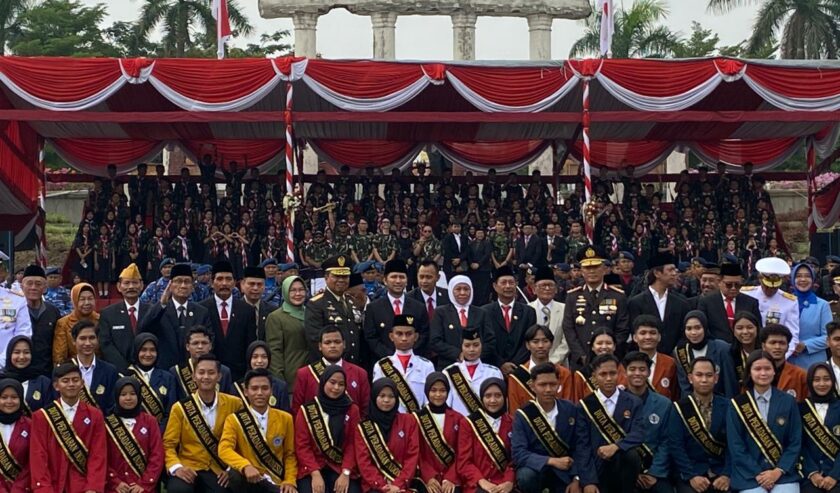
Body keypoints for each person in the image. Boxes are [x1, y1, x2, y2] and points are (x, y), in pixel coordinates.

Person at [163, 353, 243, 493]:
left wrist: (231, 469)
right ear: (194, 376)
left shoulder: (235, 404)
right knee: (178, 490)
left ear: (219, 376)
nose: (206, 377)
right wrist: (177, 468)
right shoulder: (180, 408)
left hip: (219, 468)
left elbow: (242, 443)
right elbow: (168, 445)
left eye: (211, 373)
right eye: (201, 372)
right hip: (188, 466)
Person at [726, 350, 801, 493]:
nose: (763, 373)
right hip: (748, 476)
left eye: (767, 368)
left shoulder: (788, 401)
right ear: (749, 372)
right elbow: (736, 446)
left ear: (774, 371)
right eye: (757, 369)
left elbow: (795, 441)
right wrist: (760, 474)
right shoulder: (736, 404)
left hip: (783, 474)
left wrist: (778, 471)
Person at [30, 362, 107, 493]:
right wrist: (44, 489)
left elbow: (98, 454)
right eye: (65, 381)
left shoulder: (95, 415)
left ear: (82, 384)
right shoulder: (42, 416)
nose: (71, 384)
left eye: (75, 380)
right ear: (56, 386)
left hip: (83, 486)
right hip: (52, 486)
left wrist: (92, 487)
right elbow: (38, 456)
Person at [574, 353, 647, 493]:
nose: (608, 378)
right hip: (597, 469)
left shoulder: (633, 402)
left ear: (619, 373)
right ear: (594, 376)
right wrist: (589, 481)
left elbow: (639, 433)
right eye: (603, 374)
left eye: (612, 373)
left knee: (631, 454)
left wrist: (616, 446)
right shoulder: (584, 406)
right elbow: (582, 446)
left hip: (625, 470)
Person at [219, 368, 298, 493]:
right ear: (246, 391)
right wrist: (245, 466)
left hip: (275, 479)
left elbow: (289, 455)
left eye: (265, 388)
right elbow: (224, 449)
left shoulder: (285, 418)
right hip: (249, 479)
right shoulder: (234, 419)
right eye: (254, 388)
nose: (260, 393)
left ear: (271, 391)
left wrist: (289, 481)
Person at [511, 363, 581, 493]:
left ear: (559, 385)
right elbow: (518, 453)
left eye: (552, 384)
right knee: (525, 476)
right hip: (537, 470)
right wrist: (551, 461)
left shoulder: (570, 409)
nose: (548, 389)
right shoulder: (523, 415)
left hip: (566, 470)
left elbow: (580, 446)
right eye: (542, 385)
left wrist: (577, 478)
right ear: (532, 386)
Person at [294, 365, 362, 493]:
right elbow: (302, 446)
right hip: (312, 467)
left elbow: (353, 445)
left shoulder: (352, 410)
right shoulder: (307, 410)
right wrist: (315, 473)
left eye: (341, 384)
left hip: (341, 466)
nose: (336, 388)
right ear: (324, 382)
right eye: (332, 382)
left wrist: (346, 472)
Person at [669, 357, 732, 493]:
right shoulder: (679, 408)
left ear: (715, 378)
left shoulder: (728, 406)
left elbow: (734, 444)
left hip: (721, 472)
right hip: (691, 472)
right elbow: (676, 446)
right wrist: (691, 476)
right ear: (690, 378)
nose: (704, 380)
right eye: (699, 375)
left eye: (709, 375)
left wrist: (727, 474)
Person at [562, 246, 630, 370]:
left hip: (611, 360)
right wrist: (581, 355)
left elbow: (623, 329)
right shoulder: (572, 296)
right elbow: (568, 328)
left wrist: (609, 351)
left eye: (596, 267)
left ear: (604, 269)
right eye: (587, 267)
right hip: (581, 362)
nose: (591, 271)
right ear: (582, 270)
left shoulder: (618, 296)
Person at [137, 262, 211, 370]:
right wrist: (161, 304)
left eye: (187, 282)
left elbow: (210, 339)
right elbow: (143, 329)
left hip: (194, 371)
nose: (183, 285)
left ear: (192, 286)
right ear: (170, 285)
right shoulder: (159, 310)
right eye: (178, 281)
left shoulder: (202, 312)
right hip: (165, 370)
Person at [354, 378, 421, 493]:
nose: (386, 400)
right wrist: (382, 486)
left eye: (391, 396)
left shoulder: (409, 421)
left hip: (403, 485)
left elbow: (412, 456)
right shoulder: (363, 427)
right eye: (382, 396)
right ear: (374, 397)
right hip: (374, 486)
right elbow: (364, 463)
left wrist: (398, 484)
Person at [291, 325, 371, 418]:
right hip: (316, 430)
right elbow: (297, 410)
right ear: (320, 346)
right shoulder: (305, 373)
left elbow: (365, 410)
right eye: (327, 342)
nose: (333, 346)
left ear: (344, 344)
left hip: (350, 430)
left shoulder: (360, 373)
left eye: (337, 342)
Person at [622, 351, 672, 493]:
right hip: (625, 471)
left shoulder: (664, 404)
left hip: (656, 471)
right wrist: (633, 473)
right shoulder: (615, 403)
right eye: (632, 369)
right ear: (624, 373)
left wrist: (654, 473)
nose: (637, 373)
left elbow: (666, 442)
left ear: (649, 372)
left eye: (642, 369)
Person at [104, 377, 165, 493]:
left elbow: (157, 455)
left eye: (132, 394)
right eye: (123, 394)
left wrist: (145, 484)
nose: (128, 398)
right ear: (117, 397)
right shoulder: (107, 423)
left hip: (144, 488)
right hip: (115, 488)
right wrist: (115, 482)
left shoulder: (150, 421)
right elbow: (102, 457)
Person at [199, 260, 257, 381]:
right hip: (209, 375)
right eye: (219, 279)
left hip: (239, 376)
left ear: (234, 282)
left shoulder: (246, 310)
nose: (224, 283)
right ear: (211, 282)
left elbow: (250, 344)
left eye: (228, 279)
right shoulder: (201, 309)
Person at [364, 259, 431, 363]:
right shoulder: (373, 308)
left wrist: (408, 353)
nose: (398, 281)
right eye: (394, 277)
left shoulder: (418, 307)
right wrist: (393, 357)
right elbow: (371, 338)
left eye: (402, 277)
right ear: (385, 280)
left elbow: (423, 334)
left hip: (413, 361)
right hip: (384, 363)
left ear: (407, 280)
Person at [457, 378, 515, 493]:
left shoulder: (514, 422)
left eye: (498, 395)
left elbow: (516, 459)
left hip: (505, 484)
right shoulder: (468, 423)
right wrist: (481, 481)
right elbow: (464, 462)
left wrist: (509, 481)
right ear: (481, 398)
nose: (493, 400)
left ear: (504, 397)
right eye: (488, 396)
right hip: (477, 484)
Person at [627, 253, 691, 355]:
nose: (674, 274)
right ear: (657, 273)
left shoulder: (681, 302)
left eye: (675, 270)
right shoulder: (636, 302)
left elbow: (684, 333)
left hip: (675, 358)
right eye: (670, 270)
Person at [304, 255, 363, 365]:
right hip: (330, 368)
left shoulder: (353, 302)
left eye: (345, 277)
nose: (341, 280)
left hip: (354, 366)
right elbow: (315, 340)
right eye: (336, 276)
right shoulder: (316, 304)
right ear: (326, 278)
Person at [372, 314, 435, 413]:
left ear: (416, 336)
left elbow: (430, 400)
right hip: (391, 420)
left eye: (409, 334)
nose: (404, 338)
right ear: (391, 336)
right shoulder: (381, 366)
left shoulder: (427, 366)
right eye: (399, 334)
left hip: (418, 421)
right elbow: (377, 397)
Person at [507, 325, 575, 414]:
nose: (540, 346)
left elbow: (568, 407)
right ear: (527, 345)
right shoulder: (516, 377)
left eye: (545, 341)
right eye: (535, 342)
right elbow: (514, 411)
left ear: (551, 344)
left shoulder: (564, 373)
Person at [430, 275, 494, 369]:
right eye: (458, 289)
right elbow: (435, 341)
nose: (462, 292)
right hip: (449, 366)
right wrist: (458, 354)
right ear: (451, 290)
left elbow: (490, 341)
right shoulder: (441, 312)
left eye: (466, 289)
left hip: (478, 366)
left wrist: (474, 354)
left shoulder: (481, 313)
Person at [742, 257, 800, 358]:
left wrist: (780, 358)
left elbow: (792, 336)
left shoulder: (790, 301)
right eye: (767, 285)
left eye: (775, 287)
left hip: (775, 354)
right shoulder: (746, 294)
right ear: (760, 279)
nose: (771, 289)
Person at [415, 372, 464, 493]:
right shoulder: (416, 418)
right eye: (433, 390)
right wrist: (429, 477)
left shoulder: (459, 418)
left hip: (453, 477)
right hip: (426, 477)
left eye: (442, 390)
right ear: (427, 392)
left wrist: (450, 478)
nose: (438, 394)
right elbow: (416, 453)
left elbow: (462, 453)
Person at [482, 266, 537, 370]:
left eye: (511, 283)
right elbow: (484, 342)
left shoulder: (528, 312)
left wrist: (514, 364)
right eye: (503, 283)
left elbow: (529, 341)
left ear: (516, 285)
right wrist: (501, 364)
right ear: (495, 286)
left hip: (521, 367)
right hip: (491, 368)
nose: (508, 286)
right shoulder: (484, 312)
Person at [675, 311, 739, 399]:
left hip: (721, 403)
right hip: (695, 405)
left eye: (697, 328)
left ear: (705, 328)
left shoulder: (722, 348)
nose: (693, 332)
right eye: (689, 329)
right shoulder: (681, 352)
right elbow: (685, 388)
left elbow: (729, 383)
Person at [444, 328, 503, 417]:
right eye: (467, 346)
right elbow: (446, 406)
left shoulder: (494, 372)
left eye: (476, 345)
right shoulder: (449, 372)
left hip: (486, 427)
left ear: (481, 345)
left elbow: (500, 405)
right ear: (461, 347)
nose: (472, 349)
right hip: (458, 426)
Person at [99, 263, 147, 372]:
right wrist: (124, 368)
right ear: (119, 287)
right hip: (119, 372)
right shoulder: (108, 313)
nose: (131, 287)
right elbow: (106, 344)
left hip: (147, 370)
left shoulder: (151, 311)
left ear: (142, 285)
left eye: (135, 283)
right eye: (126, 283)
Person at [800, 362, 840, 493]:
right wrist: (812, 472)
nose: (822, 384)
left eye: (826, 379)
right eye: (816, 380)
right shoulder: (801, 408)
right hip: (809, 476)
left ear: (833, 381)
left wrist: (834, 475)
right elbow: (799, 445)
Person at [697, 263, 761, 344]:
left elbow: (758, 328)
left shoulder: (751, 302)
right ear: (719, 282)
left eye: (737, 285)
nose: (733, 288)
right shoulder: (706, 302)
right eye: (729, 285)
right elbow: (703, 328)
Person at [265, 275, 308, 391]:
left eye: (301, 290)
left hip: (312, 377)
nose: (298, 294)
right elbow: (275, 351)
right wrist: (279, 381)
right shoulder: (276, 317)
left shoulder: (312, 313)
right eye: (293, 290)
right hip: (291, 379)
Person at [128, 332, 178, 429]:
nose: (148, 354)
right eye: (143, 350)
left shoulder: (168, 378)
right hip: (132, 434)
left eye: (152, 350)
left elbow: (171, 412)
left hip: (160, 434)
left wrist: (157, 434)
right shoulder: (125, 375)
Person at [171, 326, 234, 401]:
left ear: (210, 346)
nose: (200, 346)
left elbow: (228, 401)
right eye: (195, 343)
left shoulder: (224, 371)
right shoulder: (176, 372)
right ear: (187, 347)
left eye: (204, 343)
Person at [67, 320, 119, 412]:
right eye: (83, 338)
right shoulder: (64, 370)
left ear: (97, 340)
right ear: (74, 341)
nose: (87, 343)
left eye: (92, 338)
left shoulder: (110, 371)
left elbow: (112, 404)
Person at [790, 262, 834, 369]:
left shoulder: (822, 305)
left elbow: (828, 337)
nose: (803, 280)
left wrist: (805, 345)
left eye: (807, 276)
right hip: (788, 363)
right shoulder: (785, 302)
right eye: (799, 276)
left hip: (814, 365)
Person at [21, 265, 60, 376]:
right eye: (29, 283)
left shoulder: (53, 311)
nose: (33, 287)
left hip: (46, 372)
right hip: (19, 372)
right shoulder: (15, 311)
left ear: (45, 287)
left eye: (38, 284)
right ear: (22, 286)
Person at [1, 335, 53, 413]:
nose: (22, 357)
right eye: (16, 352)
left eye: (26, 352)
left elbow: (51, 413)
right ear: (9, 354)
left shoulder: (43, 383)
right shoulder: (1, 380)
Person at [631, 315, 678, 401]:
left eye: (652, 333)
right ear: (635, 337)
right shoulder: (626, 364)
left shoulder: (670, 363)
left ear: (659, 337)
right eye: (643, 333)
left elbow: (675, 394)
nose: (648, 337)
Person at [572, 328, 628, 401]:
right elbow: (577, 402)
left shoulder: (623, 369)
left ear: (614, 347)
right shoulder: (582, 375)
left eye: (608, 343)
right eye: (599, 343)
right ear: (592, 347)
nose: (604, 347)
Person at [528, 266, 569, 364]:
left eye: (550, 285)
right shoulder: (527, 309)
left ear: (556, 289)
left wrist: (552, 362)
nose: (547, 288)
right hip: (532, 365)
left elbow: (567, 340)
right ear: (534, 289)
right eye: (543, 285)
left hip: (560, 365)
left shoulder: (565, 309)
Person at [233, 342, 289, 412]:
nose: (259, 361)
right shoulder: (236, 388)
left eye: (264, 357)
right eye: (255, 357)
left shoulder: (280, 386)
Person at [52, 282, 98, 365]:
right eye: (82, 299)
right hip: (72, 370)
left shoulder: (101, 320)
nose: (87, 303)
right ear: (74, 300)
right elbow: (59, 357)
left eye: (90, 298)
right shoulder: (63, 323)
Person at [760, 324, 808, 401]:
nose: (777, 347)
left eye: (782, 343)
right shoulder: (755, 373)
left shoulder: (800, 375)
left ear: (788, 347)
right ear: (763, 346)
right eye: (773, 343)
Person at [0, 378, 31, 493]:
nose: (9, 401)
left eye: (14, 397)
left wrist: (18, 488)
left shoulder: (30, 426)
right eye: (4, 397)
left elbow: (32, 462)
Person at [240, 266, 278, 342]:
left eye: (259, 284)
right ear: (242, 285)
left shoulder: (273, 311)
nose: (255, 288)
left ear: (264, 287)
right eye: (251, 284)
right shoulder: (234, 309)